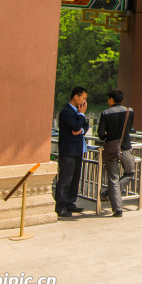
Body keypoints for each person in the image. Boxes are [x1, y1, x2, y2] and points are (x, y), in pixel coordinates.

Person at [96, 89, 134, 218]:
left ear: (111, 99)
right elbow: (129, 128)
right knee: (130, 173)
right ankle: (110, 193)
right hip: (126, 148)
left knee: (113, 178)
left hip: (111, 149)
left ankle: (117, 209)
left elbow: (101, 135)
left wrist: (108, 135)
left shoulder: (105, 113)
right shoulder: (130, 111)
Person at [55, 87, 88, 218]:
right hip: (68, 151)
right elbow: (75, 125)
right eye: (83, 98)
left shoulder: (79, 112)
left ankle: (70, 202)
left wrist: (81, 129)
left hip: (78, 150)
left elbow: (84, 126)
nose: (85, 101)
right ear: (76, 97)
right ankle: (61, 206)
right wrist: (81, 116)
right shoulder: (66, 112)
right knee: (65, 179)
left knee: (75, 178)